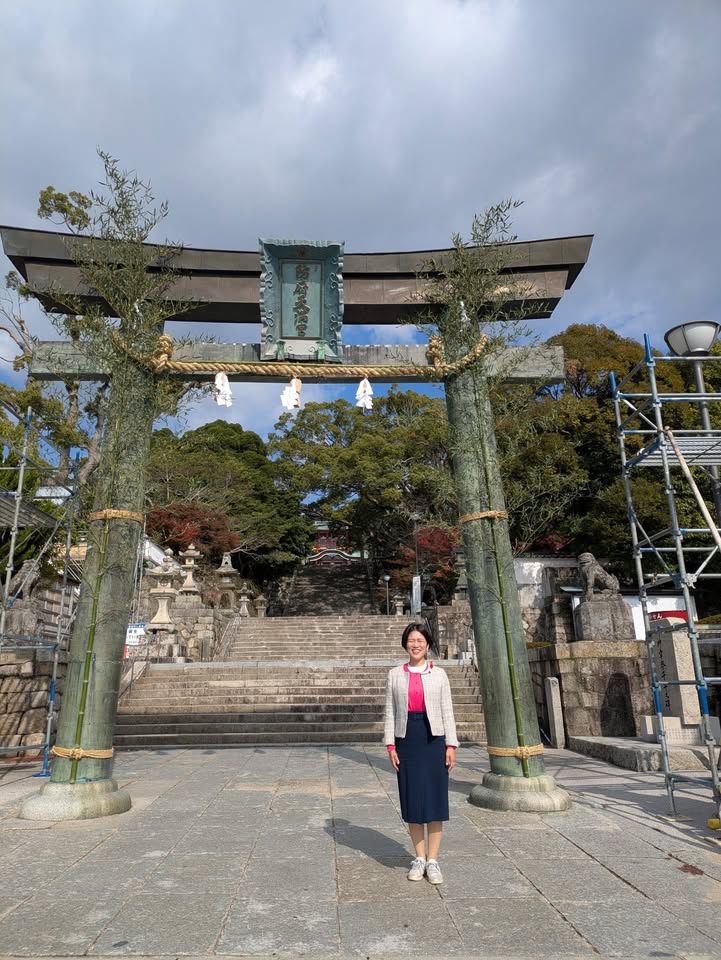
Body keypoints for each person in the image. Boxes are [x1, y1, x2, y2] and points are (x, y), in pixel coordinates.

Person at [384, 621, 458, 884]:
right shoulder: (395, 674)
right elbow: (390, 712)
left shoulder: (439, 675)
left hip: (434, 738)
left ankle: (434, 860)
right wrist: (390, 745)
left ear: (428, 644)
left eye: (420, 641)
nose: (415, 645)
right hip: (407, 738)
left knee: (435, 801)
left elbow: (447, 710)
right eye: (411, 640)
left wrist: (451, 745)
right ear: (405, 643)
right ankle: (419, 857)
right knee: (413, 799)